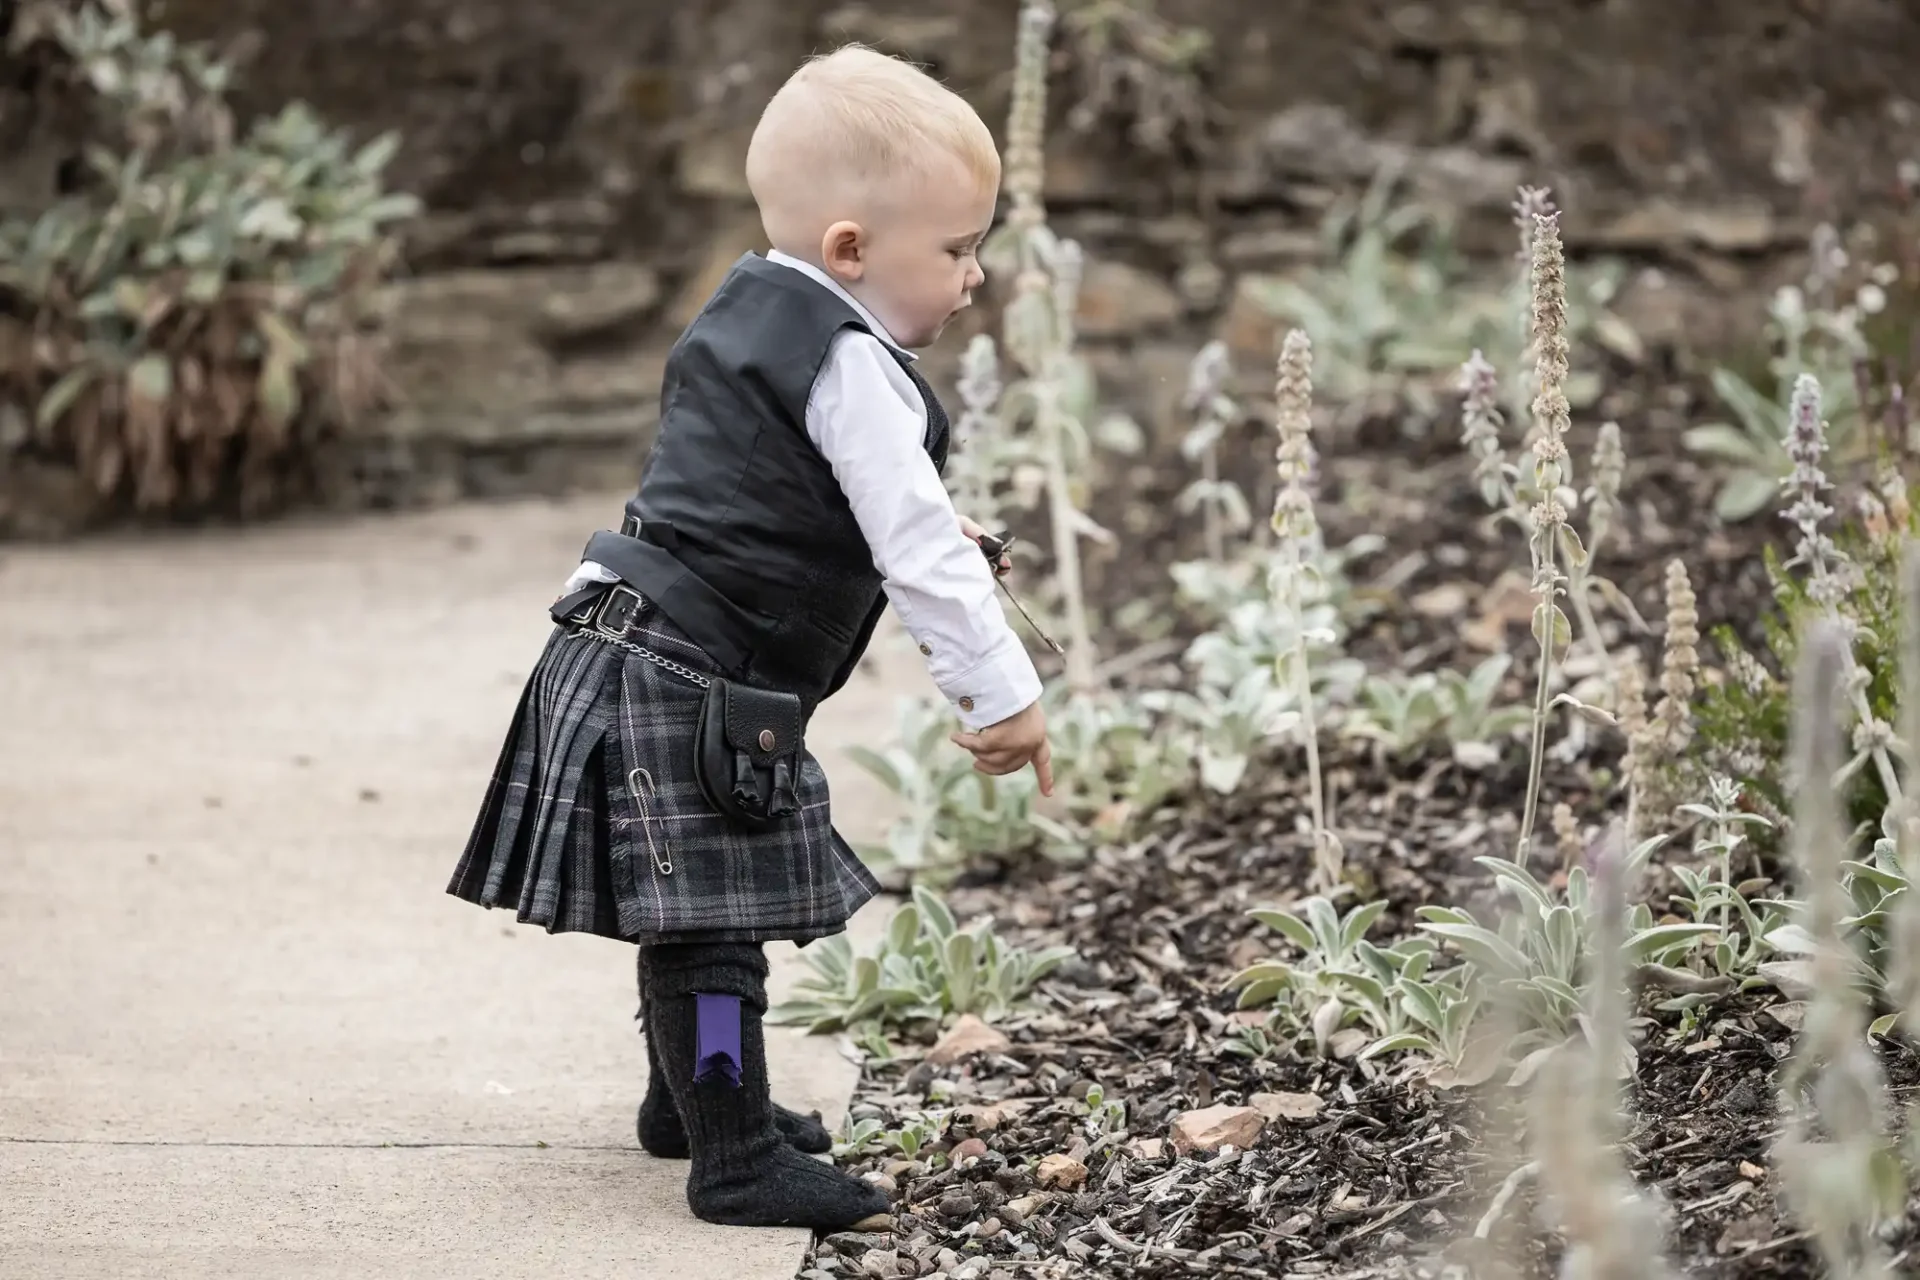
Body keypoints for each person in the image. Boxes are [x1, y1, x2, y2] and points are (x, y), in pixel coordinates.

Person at [446, 43, 1054, 1232]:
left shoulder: (752, 308)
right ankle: (730, 1153)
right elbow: (915, 549)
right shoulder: (851, 363)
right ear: (851, 250)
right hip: (688, 678)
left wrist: (938, 518)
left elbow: (783, 485)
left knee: (692, 910)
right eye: (958, 248)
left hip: (628, 640)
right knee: (712, 926)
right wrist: (1000, 693)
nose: (975, 276)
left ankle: (689, 1100)